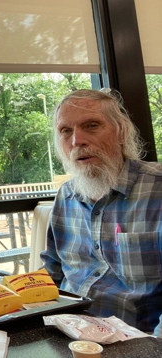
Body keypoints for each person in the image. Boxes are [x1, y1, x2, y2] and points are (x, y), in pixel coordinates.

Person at [41, 89, 162, 333]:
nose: (77, 141)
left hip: (133, 340)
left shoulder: (158, 190)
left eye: (92, 125)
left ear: (121, 131)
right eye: (66, 131)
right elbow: (52, 271)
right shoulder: (66, 195)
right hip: (62, 329)